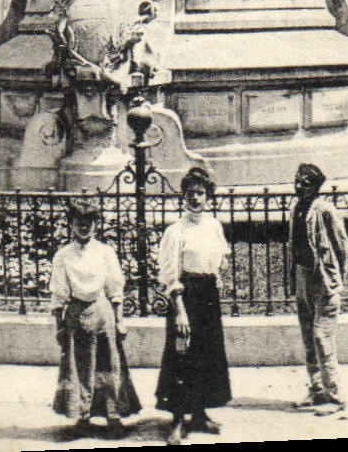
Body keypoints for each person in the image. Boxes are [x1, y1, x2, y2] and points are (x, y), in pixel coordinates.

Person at [50, 194, 140, 437]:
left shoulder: (105, 252)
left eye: (89, 220)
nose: (84, 225)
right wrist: (59, 326)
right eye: (79, 220)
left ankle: (113, 416)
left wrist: (120, 320)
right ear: (71, 223)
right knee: (79, 367)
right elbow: (59, 294)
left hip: (102, 312)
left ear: (96, 224)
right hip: (76, 314)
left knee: (109, 364)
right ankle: (82, 416)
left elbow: (114, 288)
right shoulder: (63, 256)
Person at [155, 167, 231, 445]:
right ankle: (177, 421)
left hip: (208, 298)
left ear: (208, 195)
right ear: (184, 196)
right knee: (182, 358)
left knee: (206, 356)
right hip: (186, 298)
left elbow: (219, 259)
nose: (195, 198)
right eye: (191, 193)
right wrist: (180, 310)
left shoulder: (214, 226)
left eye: (200, 193)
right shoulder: (175, 231)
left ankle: (199, 414)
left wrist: (216, 277)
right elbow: (170, 274)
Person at [289, 163, 348, 416]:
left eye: (305, 182)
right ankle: (316, 390)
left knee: (321, 338)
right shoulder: (296, 209)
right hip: (303, 278)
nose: (299, 185)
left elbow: (343, 246)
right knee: (307, 338)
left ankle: (334, 396)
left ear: (315, 187)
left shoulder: (324, 209)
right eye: (297, 180)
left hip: (324, 281)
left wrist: (338, 279)